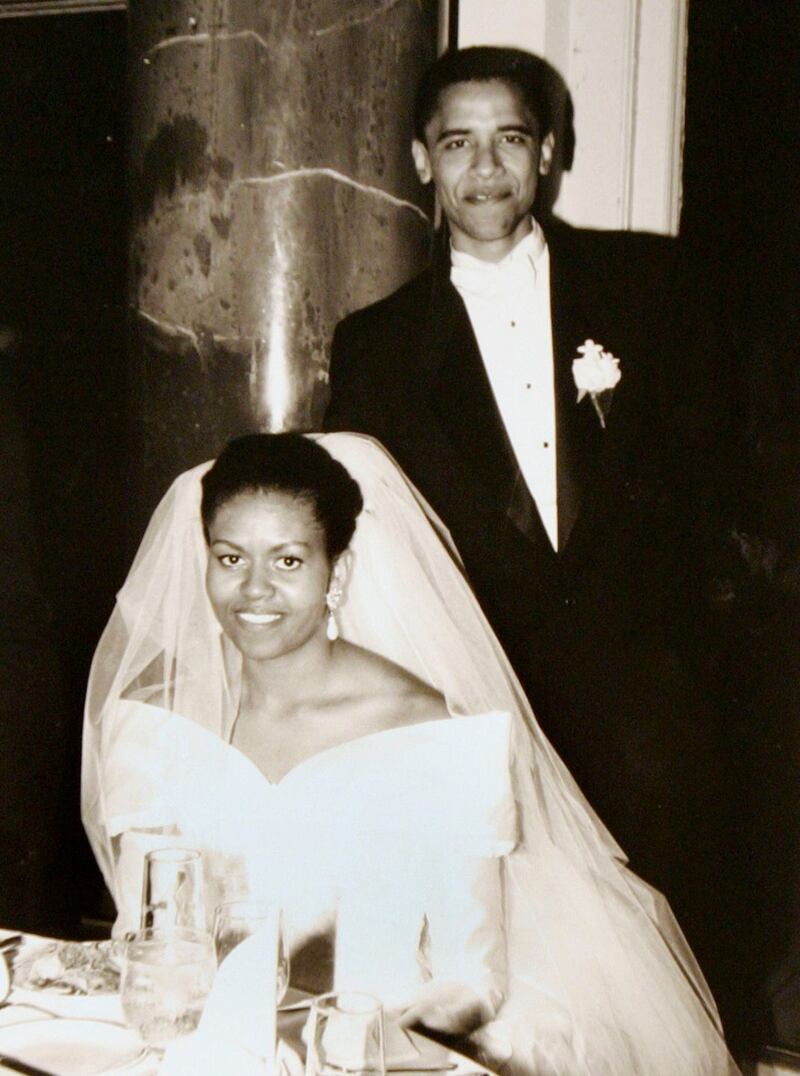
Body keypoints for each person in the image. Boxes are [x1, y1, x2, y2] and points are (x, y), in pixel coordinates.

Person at [83, 431, 737, 1074]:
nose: (254, 589)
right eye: (230, 559)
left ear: (336, 574)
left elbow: (471, 983)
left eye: (287, 561)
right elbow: (146, 940)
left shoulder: (430, 735)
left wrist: (326, 1051)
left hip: (373, 1056)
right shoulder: (157, 727)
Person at [324, 45, 739, 1016]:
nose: (483, 168)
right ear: (422, 160)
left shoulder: (651, 285)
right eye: (456, 143)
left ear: (545, 152)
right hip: (484, 701)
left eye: (508, 139)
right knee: (524, 978)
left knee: (674, 965)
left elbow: (717, 472)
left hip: (653, 697)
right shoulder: (374, 344)